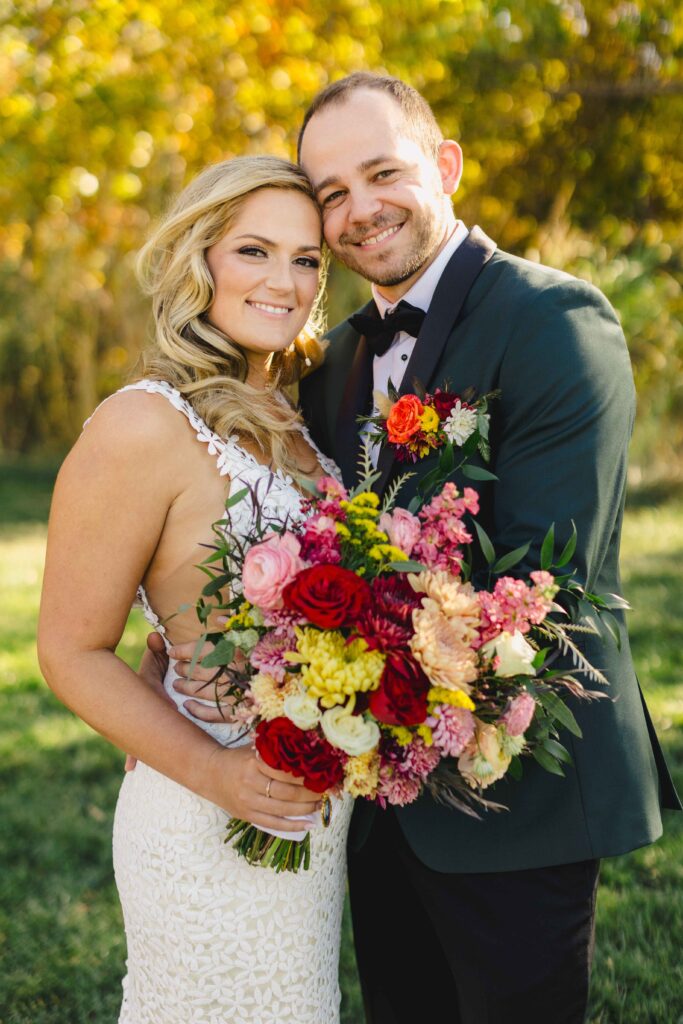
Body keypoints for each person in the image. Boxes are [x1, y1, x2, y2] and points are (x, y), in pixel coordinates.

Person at [168, 74, 680, 1023]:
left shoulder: (554, 323)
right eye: (331, 193)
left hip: (516, 794)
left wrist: (308, 664)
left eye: (381, 173)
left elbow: (538, 586)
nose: (359, 211)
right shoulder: (332, 363)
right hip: (372, 804)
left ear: (443, 166)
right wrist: (216, 641)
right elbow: (291, 527)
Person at [37, 155, 354, 1024]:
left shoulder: (297, 420)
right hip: (202, 810)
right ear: (199, 259)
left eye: (305, 260)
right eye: (254, 250)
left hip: (310, 816)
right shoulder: (143, 423)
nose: (283, 283)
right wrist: (216, 772)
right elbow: (67, 650)